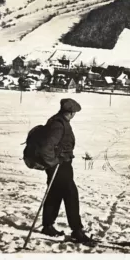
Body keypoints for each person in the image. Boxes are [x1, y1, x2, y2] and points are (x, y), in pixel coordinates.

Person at [39, 98, 90, 243]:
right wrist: (53, 162)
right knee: (71, 195)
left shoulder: (59, 121)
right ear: (71, 112)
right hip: (59, 166)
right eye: (74, 112)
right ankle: (76, 230)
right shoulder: (58, 125)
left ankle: (48, 226)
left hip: (62, 165)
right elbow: (46, 148)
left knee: (54, 194)